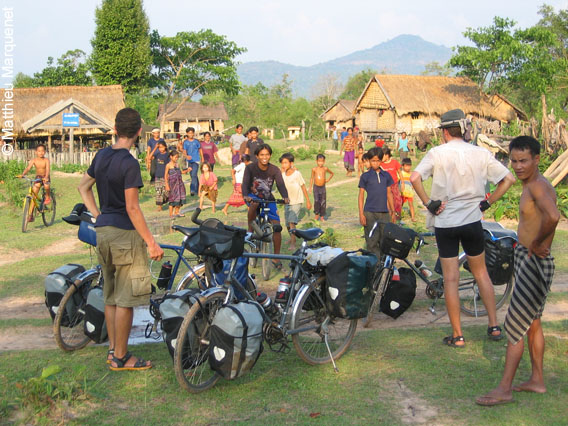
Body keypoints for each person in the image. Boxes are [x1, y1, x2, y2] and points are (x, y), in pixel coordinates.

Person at [410, 108, 516, 348]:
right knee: (480, 273)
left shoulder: (437, 153)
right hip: (472, 220)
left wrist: (429, 203)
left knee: (450, 279)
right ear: (463, 129)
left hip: (446, 223)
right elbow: (508, 179)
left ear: (445, 132)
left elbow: (415, 178)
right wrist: (488, 202)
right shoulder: (480, 153)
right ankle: (494, 326)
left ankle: (457, 335)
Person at [77, 107, 163, 371]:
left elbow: (83, 187)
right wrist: (151, 242)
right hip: (124, 235)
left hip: (102, 232)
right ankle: (122, 357)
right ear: (139, 132)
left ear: (115, 129)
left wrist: (97, 214)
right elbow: (133, 208)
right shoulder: (129, 163)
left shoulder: (102, 155)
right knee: (125, 298)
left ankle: (114, 351)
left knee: (111, 295)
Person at [476, 136, 560, 406]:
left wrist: (537, 242)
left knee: (514, 326)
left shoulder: (537, 186)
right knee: (532, 323)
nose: (518, 166)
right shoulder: (531, 184)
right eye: (514, 160)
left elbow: (554, 216)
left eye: (524, 160)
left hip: (534, 262)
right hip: (529, 258)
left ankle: (505, 388)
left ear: (536, 159)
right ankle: (537, 380)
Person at [242, 143, 289, 267]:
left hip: (268, 198)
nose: (264, 157)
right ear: (257, 156)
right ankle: (250, 230)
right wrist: (246, 195)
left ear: (270, 155)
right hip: (253, 197)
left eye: (267, 154)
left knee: (277, 227)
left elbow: (280, 184)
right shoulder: (250, 168)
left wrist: (285, 196)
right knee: (255, 204)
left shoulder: (274, 169)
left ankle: (276, 258)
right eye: (262, 154)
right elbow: (245, 183)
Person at [358, 147, 395, 258]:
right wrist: (361, 214)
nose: (375, 163)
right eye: (373, 161)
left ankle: (384, 268)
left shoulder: (386, 175)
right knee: (372, 241)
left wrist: (393, 211)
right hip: (370, 212)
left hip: (384, 212)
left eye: (377, 160)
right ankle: (375, 267)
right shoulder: (365, 176)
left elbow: (389, 194)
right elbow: (361, 196)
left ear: (381, 160)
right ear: (369, 161)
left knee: (385, 240)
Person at [280, 153, 312, 250]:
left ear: (291, 163)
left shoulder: (297, 174)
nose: (283, 165)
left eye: (285, 163)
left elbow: (303, 186)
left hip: (296, 201)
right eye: (282, 163)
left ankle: (293, 243)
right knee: (287, 224)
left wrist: (308, 200)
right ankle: (291, 238)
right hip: (287, 202)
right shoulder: (283, 175)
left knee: (291, 222)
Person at [19, 144, 52, 218]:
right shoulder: (34, 160)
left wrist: (46, 177)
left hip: (45, 176)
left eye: (42, 151)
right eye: (39, 151)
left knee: (46, 185)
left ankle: (47, 197)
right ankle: (30, 214)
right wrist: (23, 174)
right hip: (38, 177)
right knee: (34, 195)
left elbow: (47, 170)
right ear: (36, 152)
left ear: (45, 152)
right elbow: (28, 168)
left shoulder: (46, 160)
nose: (41, 153)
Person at [165, 149, 189, 217]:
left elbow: (181, 172)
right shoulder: (168, 165)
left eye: (177, 157)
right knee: (172, 199)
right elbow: (166, 175)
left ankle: (177, 212)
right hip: (172, 185)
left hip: (180, 184)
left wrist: (187, 170)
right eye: (175, 157)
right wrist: (166, 184)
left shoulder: (177, 165)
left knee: (180, 198)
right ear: (171, 157)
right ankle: (170, 214)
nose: (176, 159)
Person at [381, 147, 403, 221]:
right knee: (387, 201)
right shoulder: (380, 164)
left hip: (394, 184)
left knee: (397, 201)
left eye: (383, 155)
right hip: (385, 186)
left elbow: (400, 172)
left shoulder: (394, 162)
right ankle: (389, 215)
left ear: (387, 155)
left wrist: (403, 183)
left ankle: (398, 215)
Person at [310, 154, 334, 221]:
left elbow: (332, 173)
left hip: (322, 187)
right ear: (316, 161)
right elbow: (312, 178)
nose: (320, 163)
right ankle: (316, 215)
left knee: (323, 202)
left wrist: (328, 180)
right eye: (319, 161)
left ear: (324, 161)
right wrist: (310, 188)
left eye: (322, 161)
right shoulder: (314, 169)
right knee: (316, 201)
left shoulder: (325, 168)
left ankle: (322, 216)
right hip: (316, 187)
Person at [150, 141, 169, 211]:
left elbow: (169, 166)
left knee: (165, 192)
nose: (161, 149)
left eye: (162, 147)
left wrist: (168, 175)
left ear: (165, 147)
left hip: (165, 176)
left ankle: (165, 201)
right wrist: (155, 148)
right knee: (158, 191)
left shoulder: (167, 155)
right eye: (159, 147)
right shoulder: (157, 154)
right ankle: (159, 206)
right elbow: (149, 157)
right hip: (158, 176)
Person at [183, 127, 202, 196]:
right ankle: (198, 189)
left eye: (192, 133)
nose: (191, 134)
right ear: (187, 133)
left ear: (194, 133)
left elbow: (200, 150)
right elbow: (184, 151)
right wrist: (186, 156)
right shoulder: (185, 142)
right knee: (192, 175)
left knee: (194, 174)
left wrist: (202, 158)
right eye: (189, 133)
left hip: (196, 160)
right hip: (189, 161)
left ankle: (192, 190)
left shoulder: (196, 141)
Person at [400, 157, 416, 222]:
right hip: (402, 192)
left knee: (411, 205)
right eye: (406, 166)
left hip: (409, 193)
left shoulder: (412, 174)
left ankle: (413, 217)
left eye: (409, 166)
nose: (408, 168)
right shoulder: (401, 173)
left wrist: (413, 187)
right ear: (403, 166)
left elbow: (414, 182)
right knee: (400, 205)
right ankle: (399, 216)